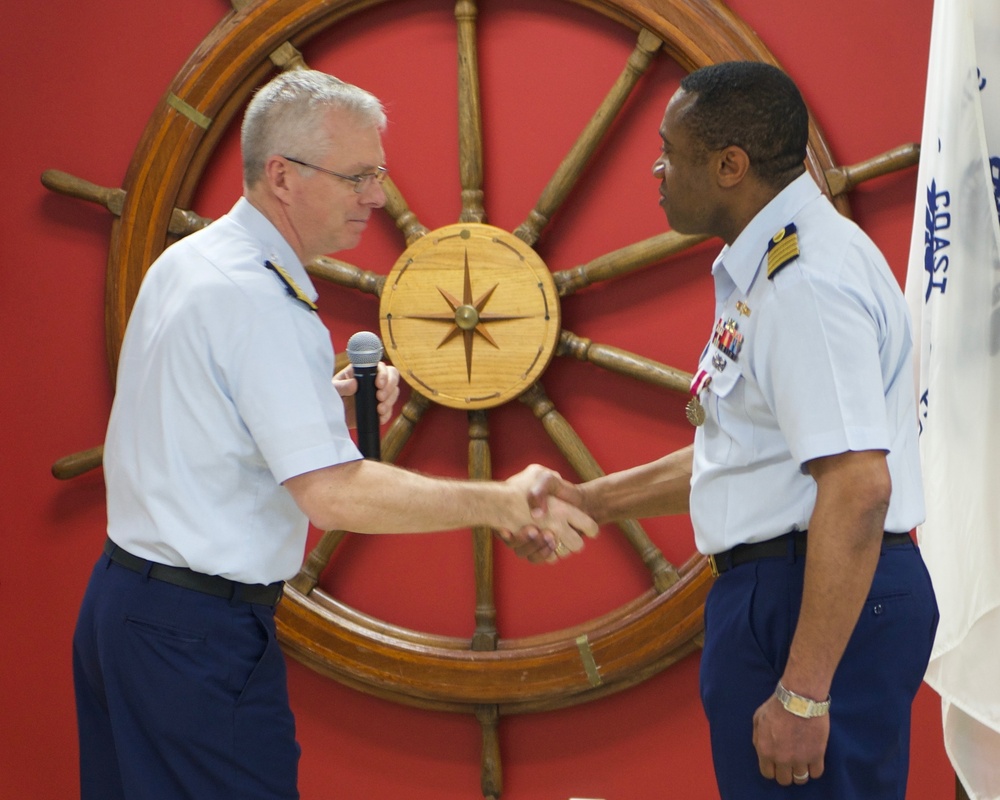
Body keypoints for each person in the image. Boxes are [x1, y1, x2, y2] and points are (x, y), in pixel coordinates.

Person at [72, 69, 596, 800]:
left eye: (378, 175)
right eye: (357, 177)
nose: (376, 198)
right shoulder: (260, 299)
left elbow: (198, 417)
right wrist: (498, 502)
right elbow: (335, 495)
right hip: (195, 637)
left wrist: (316, 405)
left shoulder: (195, 261)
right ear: (281, 176)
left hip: (128, 605)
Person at [523, 61, 938, 799]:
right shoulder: (775, 268)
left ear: (729, 165)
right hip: (791, 587)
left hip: (810, 597)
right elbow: (750, 457)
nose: (657, 168)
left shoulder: (803, 284)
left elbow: (859, 486)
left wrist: (805, 693)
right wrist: (590, 502)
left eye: (669, 151)